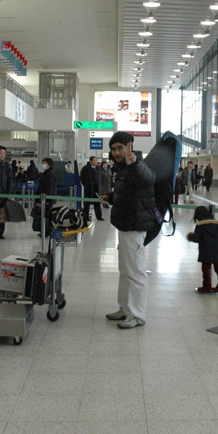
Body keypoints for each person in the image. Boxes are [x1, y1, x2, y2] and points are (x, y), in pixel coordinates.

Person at [100, 132, 157, 329]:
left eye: (120, 148)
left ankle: (137, 315)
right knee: (125, 270)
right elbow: (130, 193)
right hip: (125, 225)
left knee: (135, 272)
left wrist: (135, 164)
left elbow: (148, 179)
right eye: (113, 149)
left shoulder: (137, 165)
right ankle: (125, 309)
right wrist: (111, 197)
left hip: (135, 226)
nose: (116, 152)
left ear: (130, 146)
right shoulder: (122, 169)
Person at [186, 206, 218, 294]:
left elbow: (197, 238)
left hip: (206, 251)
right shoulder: (216, 224)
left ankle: (207, 287)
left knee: (206, 269)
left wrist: (190, 236)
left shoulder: (200, 226)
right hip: (217, 250)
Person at [32, 157, 56, 236]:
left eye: (45, 163)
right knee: (44, 215)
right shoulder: (46, 173)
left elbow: (49, 187)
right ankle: (44, 231)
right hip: (44, 198)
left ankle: (46, 231)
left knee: (46, 215)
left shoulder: (50, 174)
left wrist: (47, 200)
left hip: (46, 199)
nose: (43, 165)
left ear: (49, 164)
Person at [80, 156, 104, 222]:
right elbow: (82, 178)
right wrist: (86, 185)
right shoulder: (85, 168)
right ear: (90, 161)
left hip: (96, 189)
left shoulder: (98, 168)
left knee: (97, 203)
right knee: (87, 203)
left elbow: (100, 178)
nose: (95, 162)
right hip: (89, 189)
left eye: (96, 160)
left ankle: (99, 217)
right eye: (94, 160)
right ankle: (86, 217)